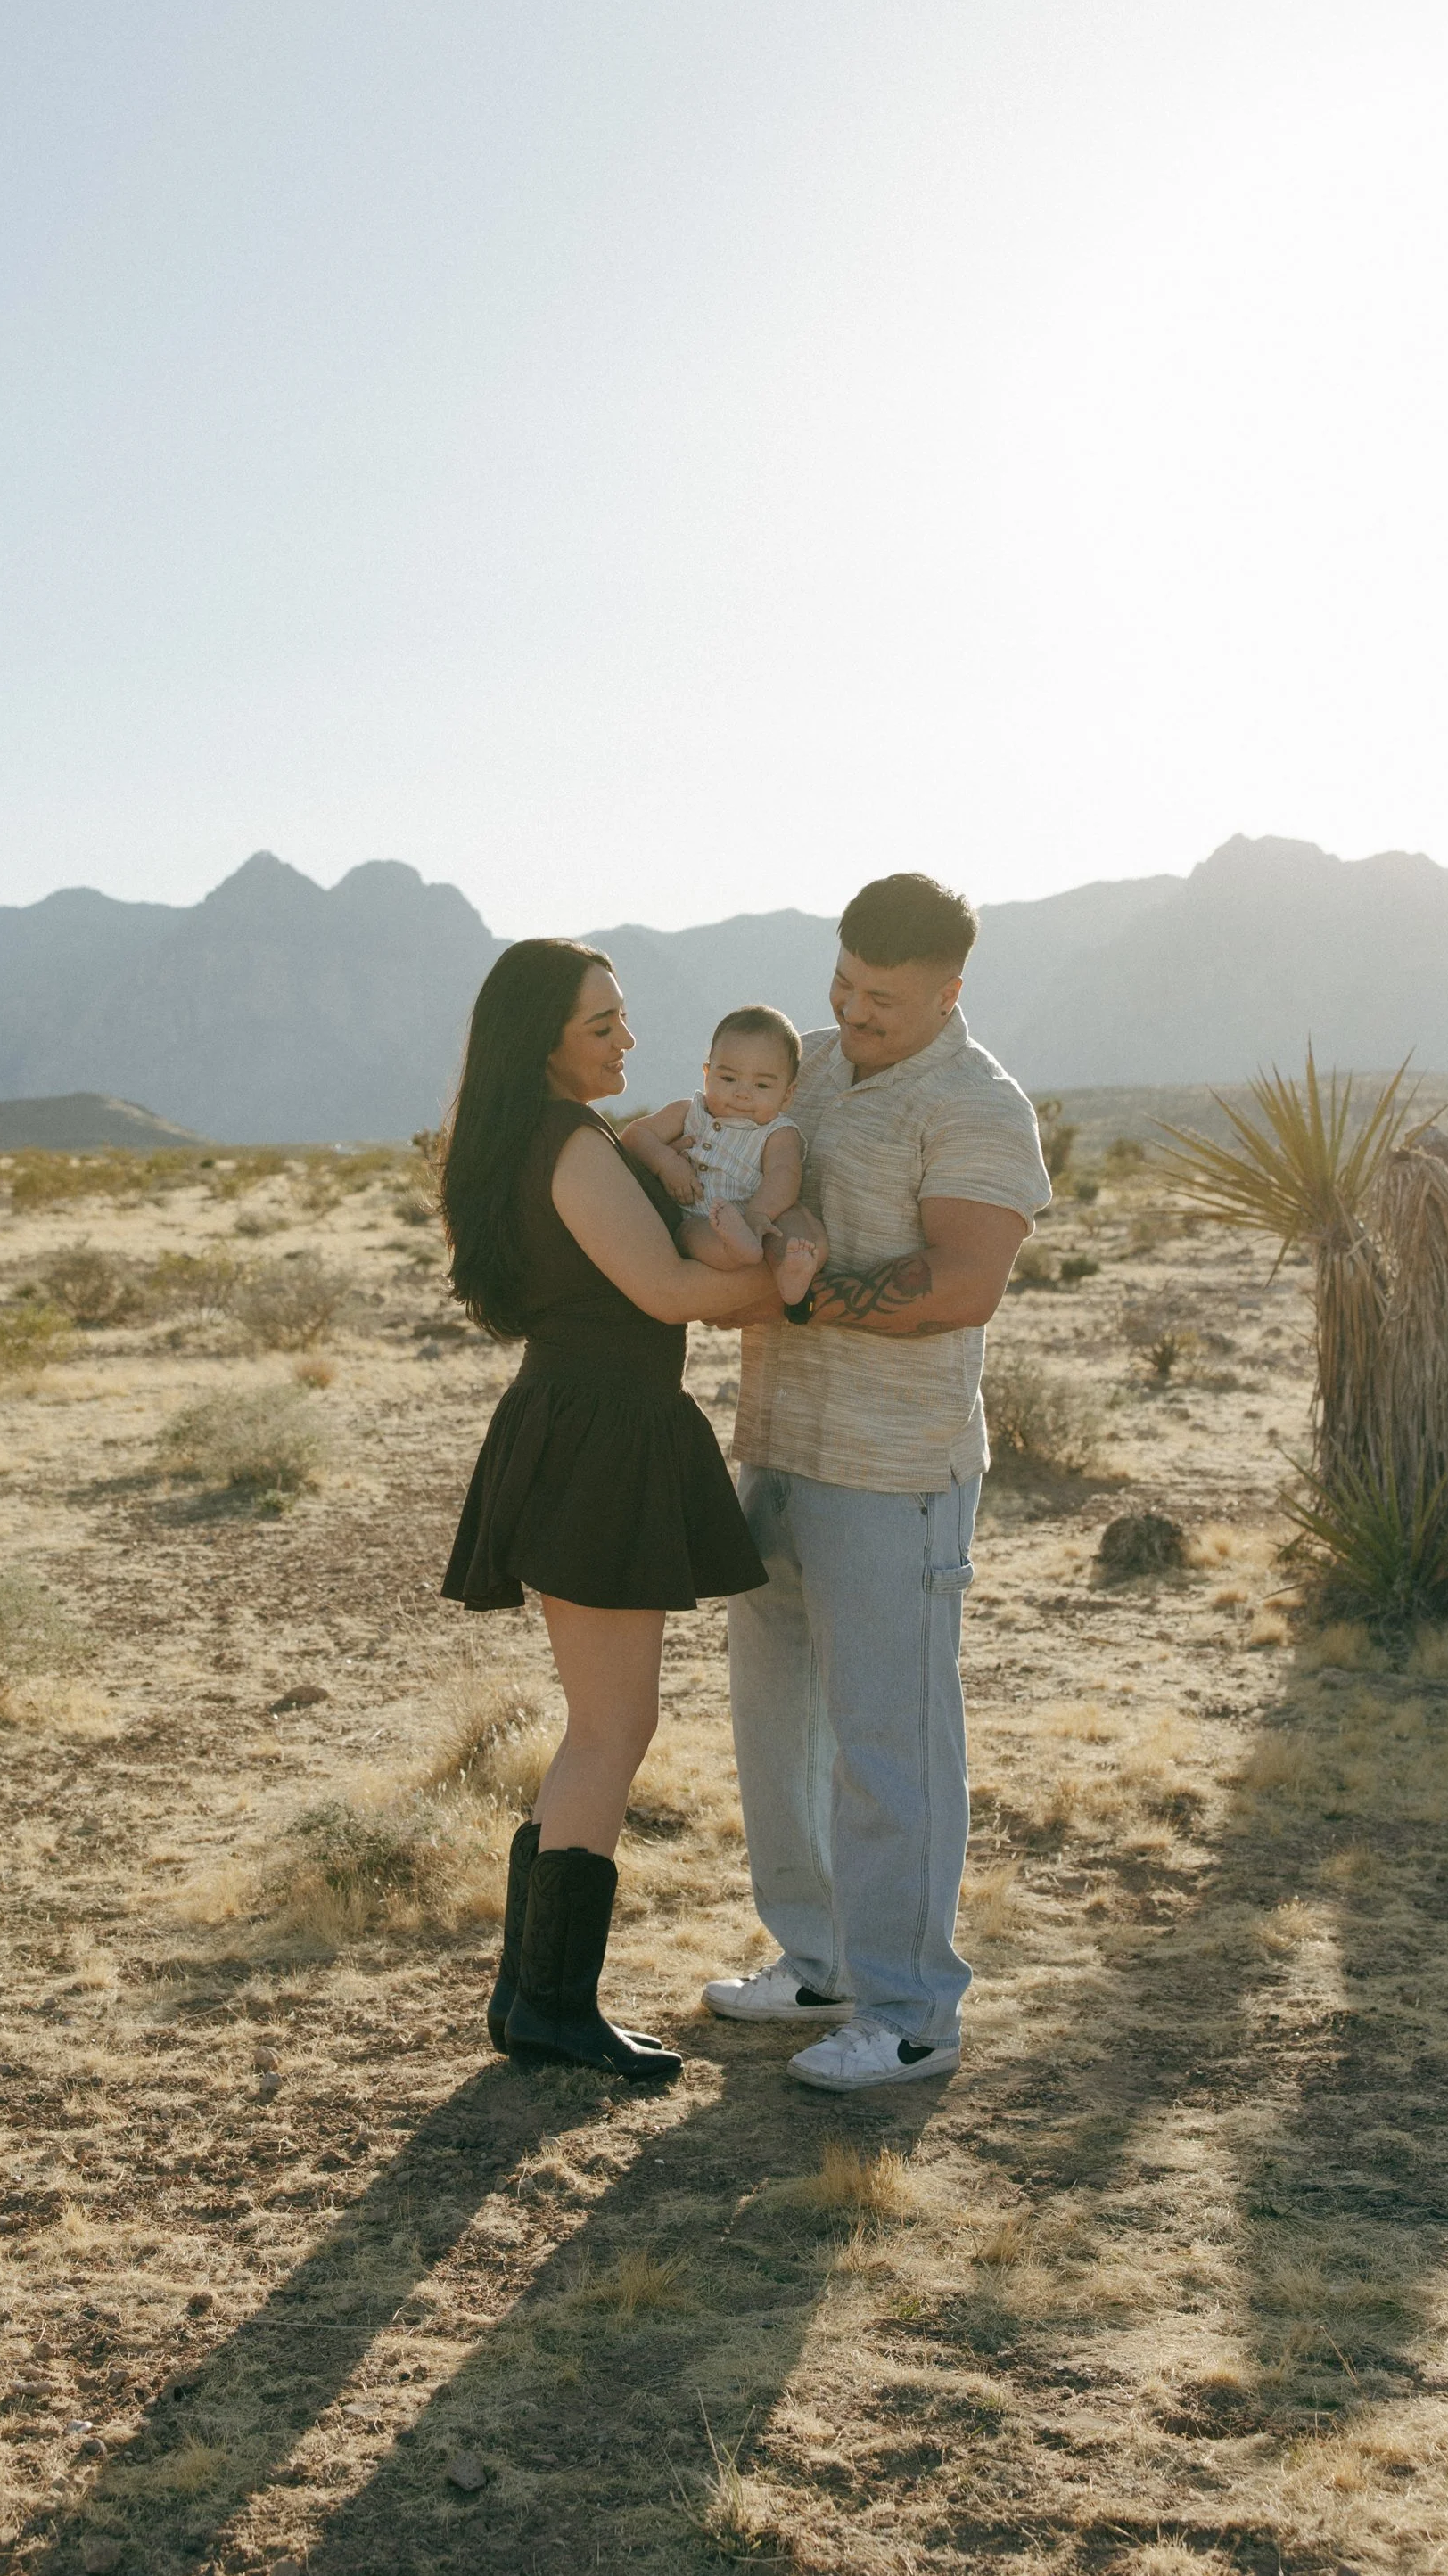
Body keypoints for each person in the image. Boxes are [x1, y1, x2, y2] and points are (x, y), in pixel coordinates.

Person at [703, 872, 1051, 2090]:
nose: (853, 1012)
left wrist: (800, 1291)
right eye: (844, 984)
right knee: (775, 1725)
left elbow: (961, 1284)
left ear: (949, 992)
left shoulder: (976, 1104)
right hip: (778, 1445)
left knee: (886, 1744)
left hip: (894, 1469)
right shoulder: (797, 1061)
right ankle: (819, 1963)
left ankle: (909, 2014)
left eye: (884, 999)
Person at [440, 940, 777, 2084]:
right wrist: (792, 1284)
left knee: (601, 1725)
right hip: (598, 1438)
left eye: (624, 1020)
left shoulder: (548, 1137)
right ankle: (551, 2006)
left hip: (587, 1427)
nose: (627, 1043)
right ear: (541, 1041)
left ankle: (529, 1995)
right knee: (610, 1730)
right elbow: (668, 1290)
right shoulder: (570, 1144)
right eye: (602, 1027)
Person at [621, 1005, 827, 1303]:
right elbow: (635, 1136)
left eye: (762, 1085)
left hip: (760, 1213)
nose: (742, 1093)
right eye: (729, 1079)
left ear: (787, 1094)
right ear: (707, 1074)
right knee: (689, 1235)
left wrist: (758, 1215)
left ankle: (790, 1273)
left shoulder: (778, 1132)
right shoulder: (690, 1112)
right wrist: (666, 1163)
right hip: (699, 1215)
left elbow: (784, 1176)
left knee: (788, 1227)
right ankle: (737, 1249)